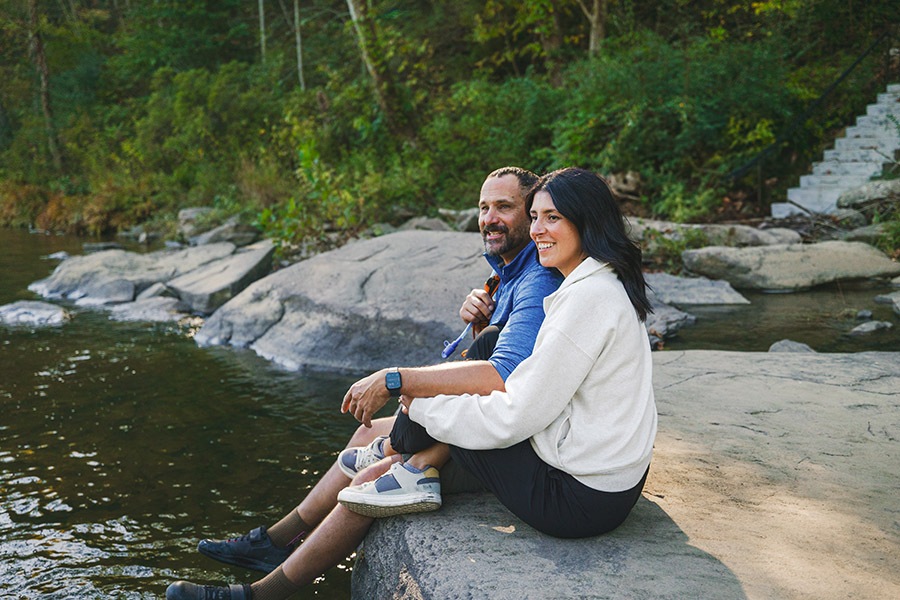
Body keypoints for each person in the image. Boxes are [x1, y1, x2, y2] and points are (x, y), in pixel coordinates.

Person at [165, 167, 563, 599]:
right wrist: (484, 322)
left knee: (373, 476)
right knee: (367, 431)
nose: (489, 218)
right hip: (487, 424)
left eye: (504, 207)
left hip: (508, 442)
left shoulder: (536, 279)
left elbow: (504, 375)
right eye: (484, 207)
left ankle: (263, 593)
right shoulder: (510, 274)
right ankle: (276, 542)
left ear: (533, 216)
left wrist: (400, 381)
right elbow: (498, 350)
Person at [337, 166, 657, 539]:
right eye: (534, 216)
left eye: (552, 217)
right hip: (611, 480)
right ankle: (410, 457)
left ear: (587, 221)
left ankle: (414, 465)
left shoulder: (588, 298)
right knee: (488, 343)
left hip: (579, 501)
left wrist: (422, 405)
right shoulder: (600, 280)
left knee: (470, 418)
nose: (537, 229)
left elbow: (514, 417)